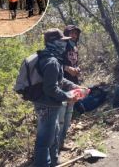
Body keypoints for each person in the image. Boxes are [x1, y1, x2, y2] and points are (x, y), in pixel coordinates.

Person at [33, 28, 81, 167]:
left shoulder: (52, 58)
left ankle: (54, 162)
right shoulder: (51, 61)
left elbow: (59, 81)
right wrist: (68, 96)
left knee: (53, 137)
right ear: (53, 42)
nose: (64, 44)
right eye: (61, 41)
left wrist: (75, 87)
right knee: (44, 141)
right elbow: (50, 89)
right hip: (46, 105)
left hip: (49, 104)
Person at [58, 25, 81, 151]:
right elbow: (54, 62)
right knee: (61, 115)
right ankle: (55, 145)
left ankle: (62, 143)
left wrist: (77, 69)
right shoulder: (61, 46)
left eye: (76, 33)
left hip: (73, 83)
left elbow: (75, 62)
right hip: (61, 84)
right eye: (71, 33)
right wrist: (67, 69)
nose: (74, 35)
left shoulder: (75, 47)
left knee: (69, 113)